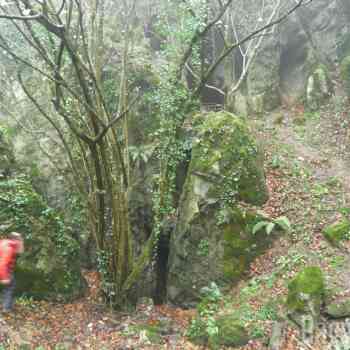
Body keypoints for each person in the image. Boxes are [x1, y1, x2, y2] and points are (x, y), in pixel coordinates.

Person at [0, 232, 24, 312]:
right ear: (14, 240)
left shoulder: (5, 243)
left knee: (10, 286)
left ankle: (6, 306)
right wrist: (5, 277)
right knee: (9, 287)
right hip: (4, 270)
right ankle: (6, 308)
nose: (21, 242)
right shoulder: (9, 248)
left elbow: (20, 252)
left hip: (6, 270)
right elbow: (3, 263)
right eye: (19, 240)